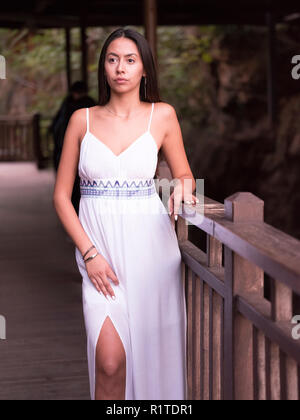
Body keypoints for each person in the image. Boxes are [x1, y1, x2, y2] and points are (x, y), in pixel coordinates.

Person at [53, 27, 199, 400]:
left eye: (130, 60)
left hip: (152, 253)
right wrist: (90, 255)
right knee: (110, 362)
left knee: (154, 355)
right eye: (113, 59)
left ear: (144, 69)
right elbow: (60, 197)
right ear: (104, 67)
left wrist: (183, 186)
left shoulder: (162, 116)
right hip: (99, 255)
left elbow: (183, 173)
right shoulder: (81, 120)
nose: (121, 68)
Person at [49, 81, 96, 214]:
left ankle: (76, 211)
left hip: (78, 148)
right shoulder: (71, 103)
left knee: (76, 184)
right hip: (65, 145)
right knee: (69, 185)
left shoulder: (85, 105)